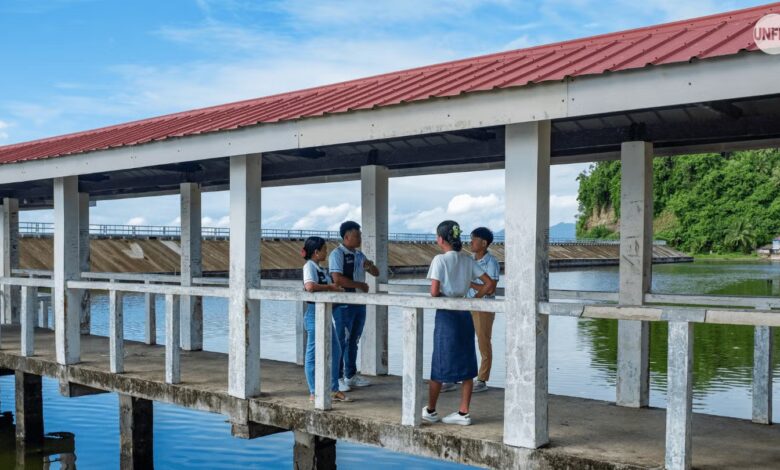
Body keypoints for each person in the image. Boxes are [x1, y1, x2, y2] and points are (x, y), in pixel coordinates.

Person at [422, 220, 496, 426]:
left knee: (439, 361)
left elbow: (434, 292)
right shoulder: (466, 259)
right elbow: (489, 284)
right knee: (467, 362)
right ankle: (464, 412)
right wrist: (474, 299)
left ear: (441, 239)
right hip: (465, 313)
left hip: (447, 314)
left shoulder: (439, 260)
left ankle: (431, 410)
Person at [328, 221, 380, 392]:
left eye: (360, 235)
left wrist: (370, 266)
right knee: (341, 340)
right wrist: (360, 285)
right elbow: (337, 279)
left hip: (359, 303)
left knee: (354, 340)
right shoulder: (337, 254)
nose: (360, 238)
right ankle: (337, 378)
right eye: (357, 235)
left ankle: (351, 375)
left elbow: (376, 273)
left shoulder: (359, 255)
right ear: (347, 237)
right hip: (343, 304)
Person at [301, 236, 351, 403]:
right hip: (314, 314)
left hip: (326, 314)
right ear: (316, 252)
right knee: (312, 355)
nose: (326, 252)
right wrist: (330, 287)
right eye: (324, 249)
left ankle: (332, 389)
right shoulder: (309, 266)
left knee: (336, 352)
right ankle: (314, 392)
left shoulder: (320, 269)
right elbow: (309, 287)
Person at [467, 227, 500, 393]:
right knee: (465, 341)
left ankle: (482, 379)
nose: (470, 242)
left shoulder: (491, 262)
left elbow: (491, 289)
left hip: (484, 307)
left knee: (483, 341)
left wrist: (470, 284)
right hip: (468, 305)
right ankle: (461, 376)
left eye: (474, 239)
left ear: (484, 243)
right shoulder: (469, 259)